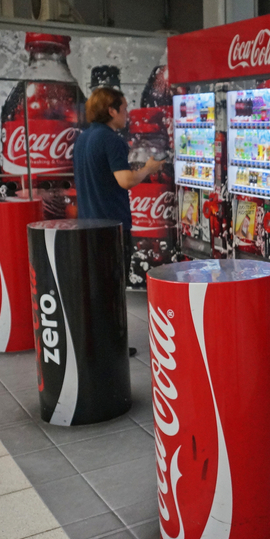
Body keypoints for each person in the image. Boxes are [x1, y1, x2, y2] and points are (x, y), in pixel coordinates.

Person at [73, 87, 163, 356]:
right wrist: (148, 168)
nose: (127, 114)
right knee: (112, 289)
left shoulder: (83, 138)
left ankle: (95, 343)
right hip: (111, 227)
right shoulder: (112, 140)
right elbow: (125, 180)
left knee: (96, 289)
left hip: (87, 225)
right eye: (123, 108)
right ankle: (112, 347)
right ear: (111, 110)